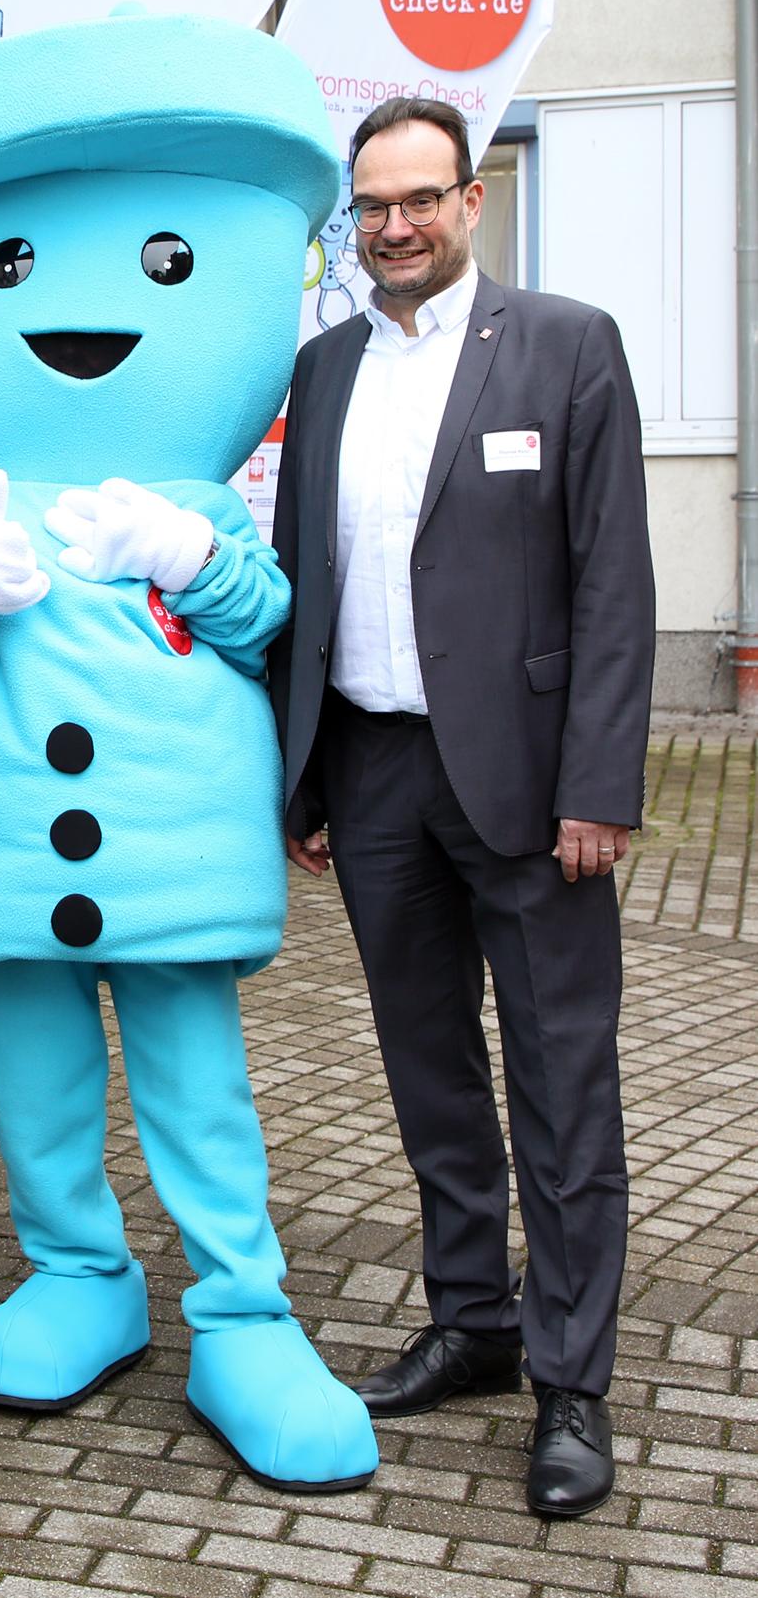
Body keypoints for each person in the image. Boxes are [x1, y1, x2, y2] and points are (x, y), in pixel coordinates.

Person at [268, 96, 654, 1520]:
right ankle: (473, 1322)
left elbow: (611, 581)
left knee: (560, 1087)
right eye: (368, 208)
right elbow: (299, 581)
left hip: (528, 790)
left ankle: (569, 1382)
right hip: (372, 779)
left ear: (470, 199)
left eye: (416, 199)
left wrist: (597, 783)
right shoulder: (321, 370)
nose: (392, 227)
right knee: (428, 1075)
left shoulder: (561, 345)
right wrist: (301, 776)